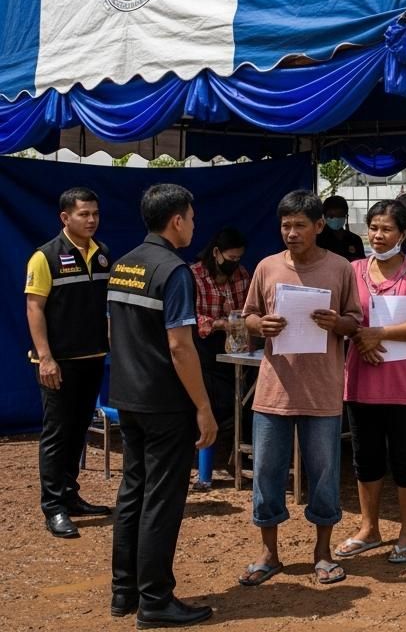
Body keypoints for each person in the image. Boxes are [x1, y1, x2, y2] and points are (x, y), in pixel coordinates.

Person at [108, 184, 216, 627]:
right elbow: (180, 346)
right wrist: (204, 408)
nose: (193, 224)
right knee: (163, 499)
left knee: (133, 491)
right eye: (191, 217)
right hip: (164, 404)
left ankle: (124, 591)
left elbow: (114, 330)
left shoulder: (122, 265)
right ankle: (155, 600)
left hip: (128, 397)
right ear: (177, 220)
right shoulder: (174, 271)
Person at [241, 190, 361, 586]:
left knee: (324, 475)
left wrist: (336, 323)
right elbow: (249, 317)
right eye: (285, 225)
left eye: (299, 225)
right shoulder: (267, 267)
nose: (291, 233)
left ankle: (322, 553)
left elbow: (354, 321)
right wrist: (262, 326)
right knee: (267, 474)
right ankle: (269, 553)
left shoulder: (341, 268)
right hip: (274, 391)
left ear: (319, 226)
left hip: (323, 391)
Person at [337, 200, 406, 564]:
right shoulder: (352, 270)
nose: (378, 235)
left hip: (405, 385)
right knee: (366, 459)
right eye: (373, 227)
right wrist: (361, 338)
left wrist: (380, 334)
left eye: (387, 228)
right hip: (360, 383)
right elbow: (343, 317)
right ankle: (369, 528)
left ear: (404, 234)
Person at [25, 186, 112, 538]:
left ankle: (71, 495)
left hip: (92, 359)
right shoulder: (44, 257)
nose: (91, 220)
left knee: (78, 430)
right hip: (57, 364)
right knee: (57, 434)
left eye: (94, 213)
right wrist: (46, 358)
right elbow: (34, 308)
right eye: (83, 214)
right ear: (65, 217)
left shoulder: (103, 254)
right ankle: (54, 506)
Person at [191, 227, 250, 475]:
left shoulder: (241, 275)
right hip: (203, 345)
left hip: (236, 345)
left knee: (245, 399)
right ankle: (203, 455)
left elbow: (249, 308)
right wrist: (217, 323)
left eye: (238, 259)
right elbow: (189, 316)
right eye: (231, 258)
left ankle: (243, 452)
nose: (234, 264)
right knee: (214, 398)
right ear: (216, 253)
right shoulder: (194, 276)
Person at [317, 195, 365, 262]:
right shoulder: (317, 239)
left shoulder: (355, 239)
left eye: (340, 215)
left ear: (346, 216)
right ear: (324, 216)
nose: (336, 219)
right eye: (331, 216)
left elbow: (361, 264)